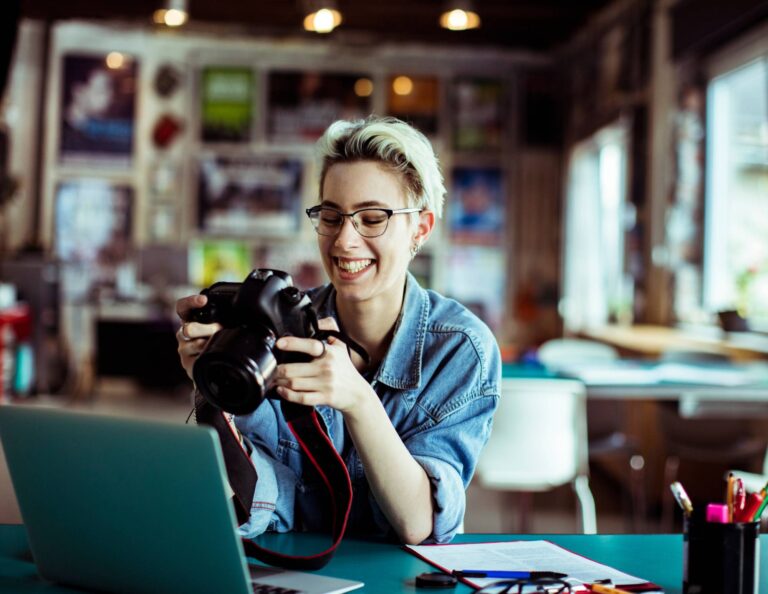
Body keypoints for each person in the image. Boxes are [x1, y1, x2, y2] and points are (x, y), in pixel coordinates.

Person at [176, 115, 500, 545]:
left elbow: (418, 524)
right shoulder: (278, 329)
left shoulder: (462, 349)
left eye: (371, 219)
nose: (344, 241)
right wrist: (215, 385)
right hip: (298, 573)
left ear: (420, 229)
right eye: (331, 217)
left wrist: (357, 399)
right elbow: (268, 498)